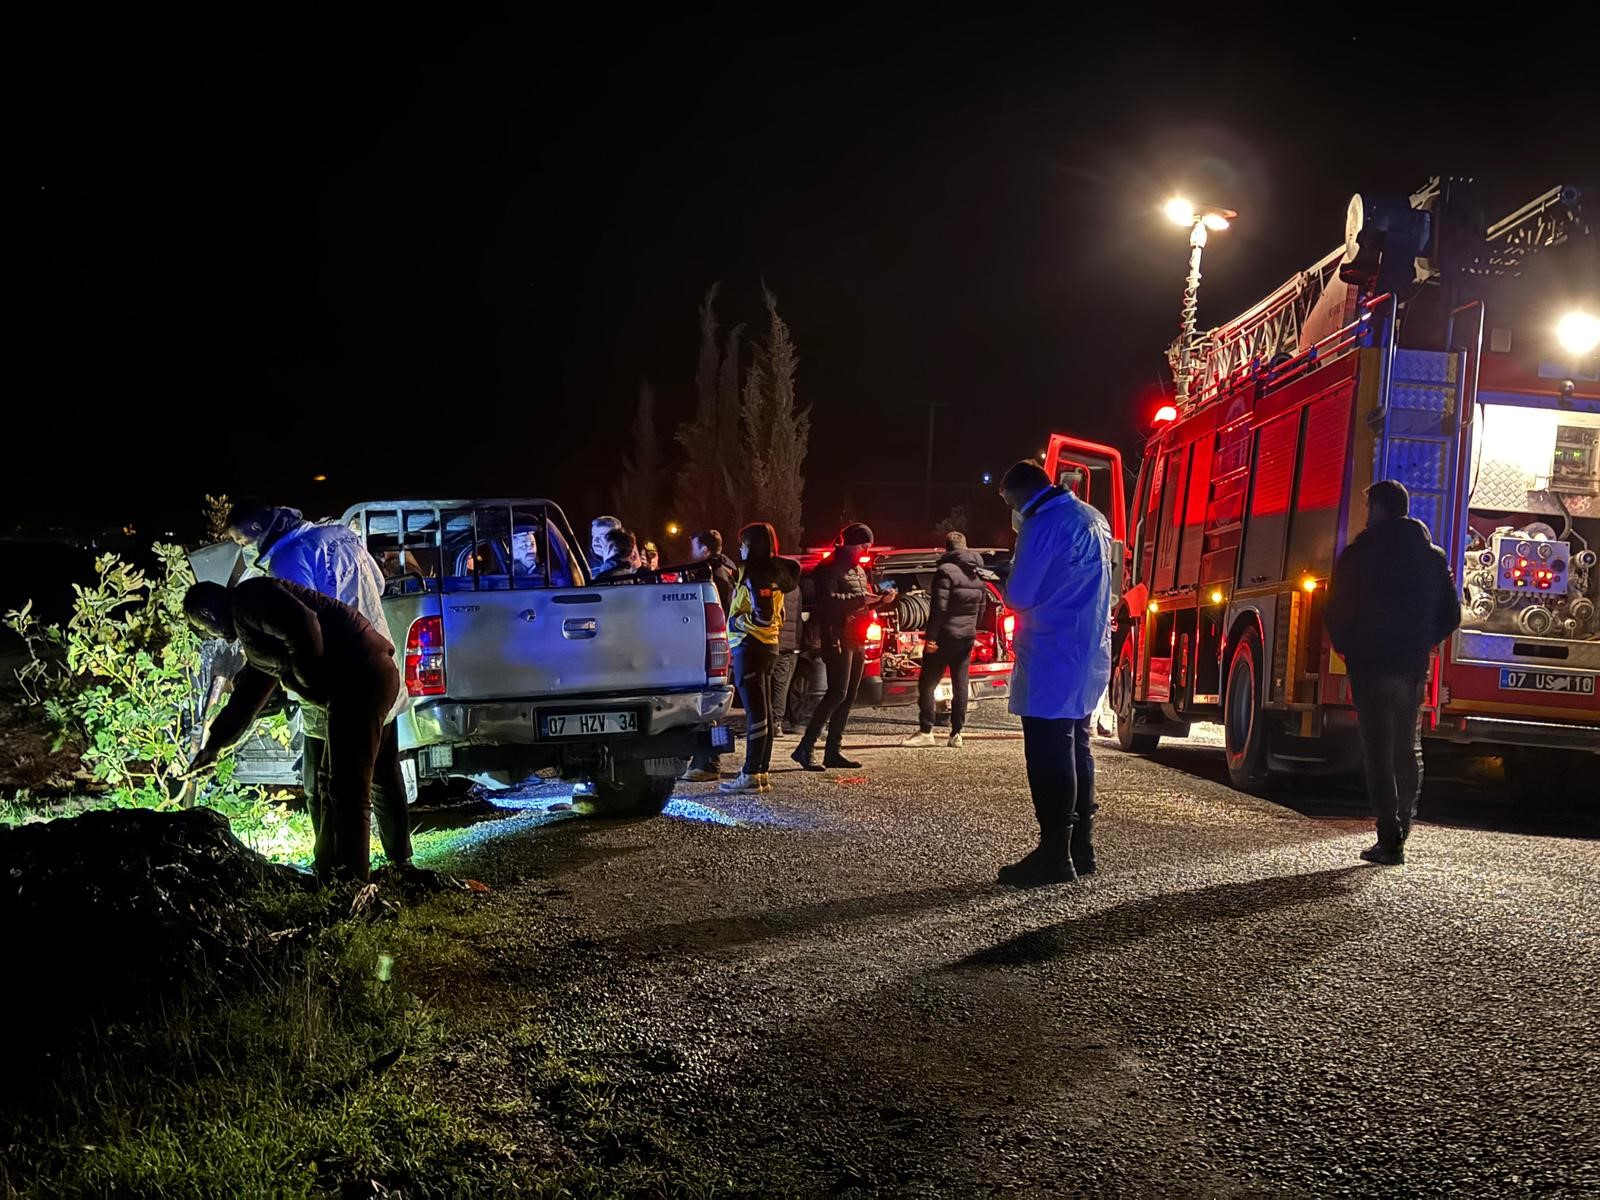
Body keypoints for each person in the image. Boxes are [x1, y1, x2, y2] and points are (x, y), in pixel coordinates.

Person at [224, 501, 412, 871]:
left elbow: (301, 628)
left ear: (261, 530)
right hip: (381, 667)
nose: (242, 548)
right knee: (384, 775)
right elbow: (379, 582)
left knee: (326, 785)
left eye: (242, 540)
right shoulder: (339, 535)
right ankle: (400, 861)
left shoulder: (287, 560)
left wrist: (304, 680)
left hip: (337, 685)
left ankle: (334, 868)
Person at [185, 577, 400, 883]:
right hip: (353, 683)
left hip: (361, 677)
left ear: (208, 615)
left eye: (205, 628)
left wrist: (308, 676)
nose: (212, 635)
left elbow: (304, 622)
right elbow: (248, 698)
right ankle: (330, 873)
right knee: (332, 785)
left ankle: (353, 883)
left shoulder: (249, 597)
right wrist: (214, 746)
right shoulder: (252, 630)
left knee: (348, 789)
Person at [1324, 480, 1460, 866]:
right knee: (1405, 746)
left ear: (1379, 509)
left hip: (1369, 664)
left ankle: (1389, 837)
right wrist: (1422, 643)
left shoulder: (1358, 554)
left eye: (1370, 507)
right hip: (1410, 664)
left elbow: (1335, 608)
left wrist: (1347, 645)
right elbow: (1451, 615)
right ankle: (1404, 823)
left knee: (1378, 749)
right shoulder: (1432, 558)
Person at [996, 460, 1113, 886]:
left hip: (1051, 649)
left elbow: (1020, 595)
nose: (1012, 512)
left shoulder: (1043, 523)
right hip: (1087, 649)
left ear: (1021, 494)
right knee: (1077, 745)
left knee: (1048, 751)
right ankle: (1081, 847)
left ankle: (1053, 853)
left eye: (1010, 502)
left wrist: (1003, 582)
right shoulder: (1092, 517)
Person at [793, 522, 891, 771]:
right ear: (849, 544)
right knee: (836, 692)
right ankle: (806, 746)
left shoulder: (858, 569)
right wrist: (861, 599)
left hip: (857, 636)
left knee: (848, 695)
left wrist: (879, 601)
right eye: (862, 546)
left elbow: (861, 602)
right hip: (837, 636)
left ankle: (833, 751)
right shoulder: (829, 568)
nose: (865, 551)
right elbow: (828, 602)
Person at [720, 523, 801, 794]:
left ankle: (752, 772)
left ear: (752, 545)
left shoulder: (756, 575)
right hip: (768, 646)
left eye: (743, 544)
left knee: (756, 712)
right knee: (763, 710)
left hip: (750, 646)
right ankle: (760, 772)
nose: (740, 549)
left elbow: (763, 614)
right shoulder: (776, 573)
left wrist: (737, 621)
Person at [903, 531, 986, 749]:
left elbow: (938, 608)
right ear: (965, 547)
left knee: (928, 682)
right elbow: (983, 606)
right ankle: (957, 733)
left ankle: (926, 731)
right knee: (961, 683)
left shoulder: (945, 572)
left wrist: (931, 638)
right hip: (967, 636)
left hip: (945, 636)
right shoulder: (977, 572)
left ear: (947, 548)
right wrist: (972, 628)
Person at [682, 529, 740, 782]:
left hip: (712, 648)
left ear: (705, 550)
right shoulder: (723, 570)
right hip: (715, 647)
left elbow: (720, 613)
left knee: (707, 707)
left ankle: (708, 763)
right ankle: (705, 761)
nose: (690, 552)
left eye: (694, 547)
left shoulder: (713, 576)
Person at [768, 552, 804, 737]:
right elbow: (797, 618)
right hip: (789, 645)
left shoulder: (770, 587)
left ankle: (766, 721)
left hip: (768, 640)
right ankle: (777, 722)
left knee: (765, 682)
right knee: (781, 685)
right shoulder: (794, 589)